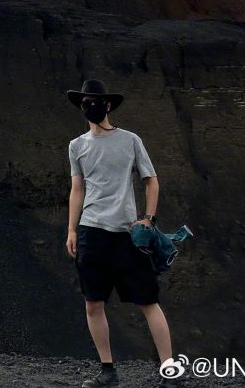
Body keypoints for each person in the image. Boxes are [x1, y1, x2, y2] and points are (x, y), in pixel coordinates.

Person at [65, 79, 180, 387]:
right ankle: (107, 371)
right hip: (91, 232)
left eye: (95, 101)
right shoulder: (77, 146)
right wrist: (71, 229)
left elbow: (151, 180)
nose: (90, 105)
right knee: (93, 303)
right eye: (85, 102)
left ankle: (169, 370)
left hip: (127, 236)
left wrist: (148, 218)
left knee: (148, 301)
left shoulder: (130, 140)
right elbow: (77, 189)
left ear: (108, 105)